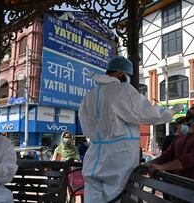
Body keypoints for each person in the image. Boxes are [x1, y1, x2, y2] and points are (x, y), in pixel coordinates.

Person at [78, 56, 183, 203]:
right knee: (119, 196)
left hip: (93, 156)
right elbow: (144, 112)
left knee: (93, 197)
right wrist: (169, 112)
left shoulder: (89, 96)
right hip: (119, 157)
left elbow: (86, 127)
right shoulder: (122, 90)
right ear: (121, 74)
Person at [144, 103, 194, 185]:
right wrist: (148, 164)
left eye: (193, 108)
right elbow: (164, 158)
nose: (188, 110)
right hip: (179, 188)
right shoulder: (180, 138)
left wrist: (162, 167)